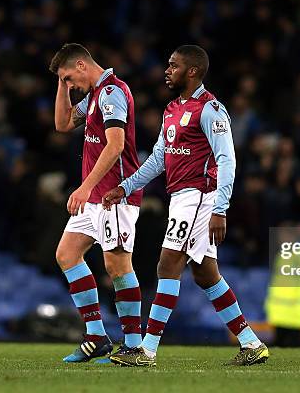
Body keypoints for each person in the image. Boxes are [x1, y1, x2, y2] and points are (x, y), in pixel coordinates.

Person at [101, 45, 269, 367]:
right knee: (206, 275)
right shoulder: (171, 110)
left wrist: (221, 208)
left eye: (173, 66)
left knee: (167, 266)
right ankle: (251, 342)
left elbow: (227, 161)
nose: (167, 70)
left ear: (192, 71)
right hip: (181, 197)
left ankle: (146, 351)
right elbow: (158, 159)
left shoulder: (211, 110)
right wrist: (126, 187)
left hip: (199, 196)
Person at [49, 43, 143, 362]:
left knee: (117, 265)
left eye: (69, 78)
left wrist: (86, 187)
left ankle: (133, 345)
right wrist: (61, 85)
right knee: (67, 254)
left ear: (81, 65)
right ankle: (96, 337)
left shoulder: (112, 92)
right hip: (95, 197)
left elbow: (115, 145)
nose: (70, 86)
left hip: (111, 195)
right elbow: (62, 125)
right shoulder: (93, 97)